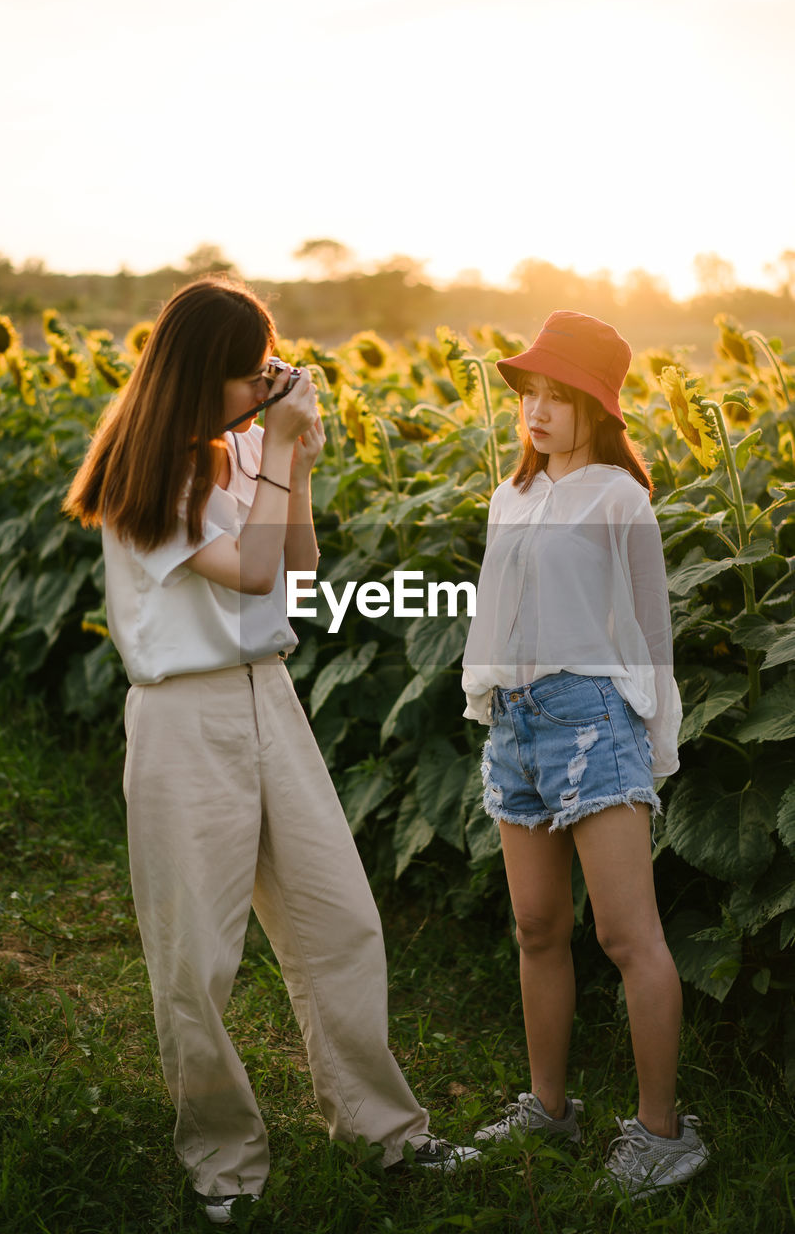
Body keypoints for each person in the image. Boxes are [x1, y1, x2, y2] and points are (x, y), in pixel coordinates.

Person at [63, 276, 478, 1226]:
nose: (266, 390)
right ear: (205, 374)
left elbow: (295, 564)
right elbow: (247, 569)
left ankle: (385, 1131)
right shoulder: (149, 468)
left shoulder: (237, 447)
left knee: (338, 919)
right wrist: (284, 446)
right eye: (254, 376)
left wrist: (294, 457)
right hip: (184, 717)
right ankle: (223, 1161)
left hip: (269, 698)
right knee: (196, 959)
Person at [461, 311, 709, 1197]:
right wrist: (486, 696)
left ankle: (661, 1131)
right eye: (529, 393)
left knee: (624, 932)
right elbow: (496, 613)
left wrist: (654, 742)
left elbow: (652, 628)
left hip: (595, 715)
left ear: (598, 408)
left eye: (557, 397)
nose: (534, 410)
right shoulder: (510, 497)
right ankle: (549, 1109)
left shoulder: (619, 497)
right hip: (517, 723)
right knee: (537, 927)